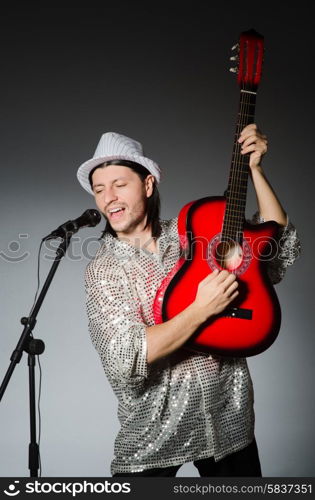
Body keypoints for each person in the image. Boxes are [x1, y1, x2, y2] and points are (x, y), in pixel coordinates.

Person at [76, 127, 300, 477]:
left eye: (120, 184)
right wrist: (201, 309)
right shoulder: (104, 269)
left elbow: (273, 249)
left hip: (228, 417)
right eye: (99, 189)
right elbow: (126, 357)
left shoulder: (193, 231)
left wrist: (255, 171)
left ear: (148, 185)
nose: (109, 198)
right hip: (155, 430)